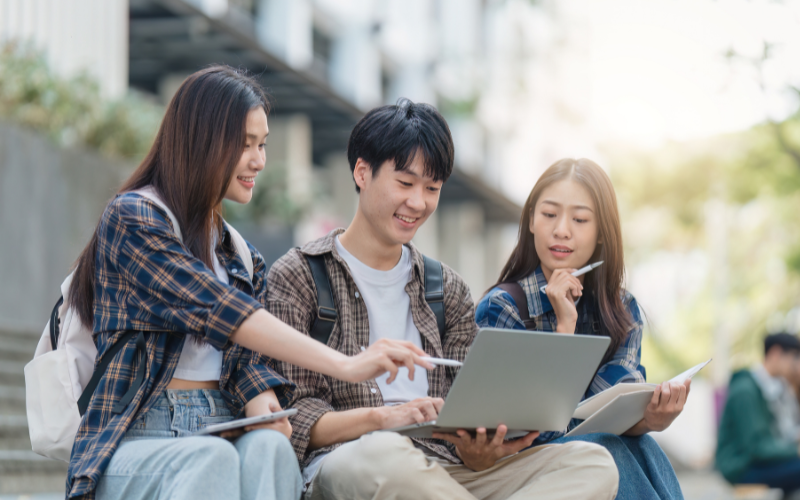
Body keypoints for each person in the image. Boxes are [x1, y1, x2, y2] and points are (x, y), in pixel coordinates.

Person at [65, 67, 428, 500]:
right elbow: (216, 309)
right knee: (210, 458)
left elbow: (245, 357)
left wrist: (258, 393)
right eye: (244, 144)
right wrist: (345, 364)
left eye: (262, 144)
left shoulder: (240, 254)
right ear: (202, 142)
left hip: (222, 422)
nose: (259, 160)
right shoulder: (134, 219)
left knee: (273, 449)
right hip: (135, 438)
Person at [267, 100, 619, 500]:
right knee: (384, 453)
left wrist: (480, 449)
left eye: (431, 188)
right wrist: (382, 419)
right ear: (362, 172)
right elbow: (290, 417)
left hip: (445, 472)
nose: (418, 202)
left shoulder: (446, 287)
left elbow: (467, 420)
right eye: (405, 183)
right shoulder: (300, 274)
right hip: (352, 461)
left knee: (592, 464)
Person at [475, 158, 686, 500]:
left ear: (602, 231)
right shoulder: (504, 307)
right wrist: (565, 329)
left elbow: (608, 416)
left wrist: (649, 420)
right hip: (519, 469)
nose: (562, 230)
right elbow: (533, 431)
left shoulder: (623, 311)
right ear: (530, 220)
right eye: (548, 214)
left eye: (580, 219)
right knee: (605, 448)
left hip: (592, 458)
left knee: (642, 444)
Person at [716, 332, 800, 494]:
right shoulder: (746, 390)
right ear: (775, 354)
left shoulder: (769, 387)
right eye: (793, 357)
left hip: (754, 461)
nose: (795, 364)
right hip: (740, 467)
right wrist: (795, 451)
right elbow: (757, 447)